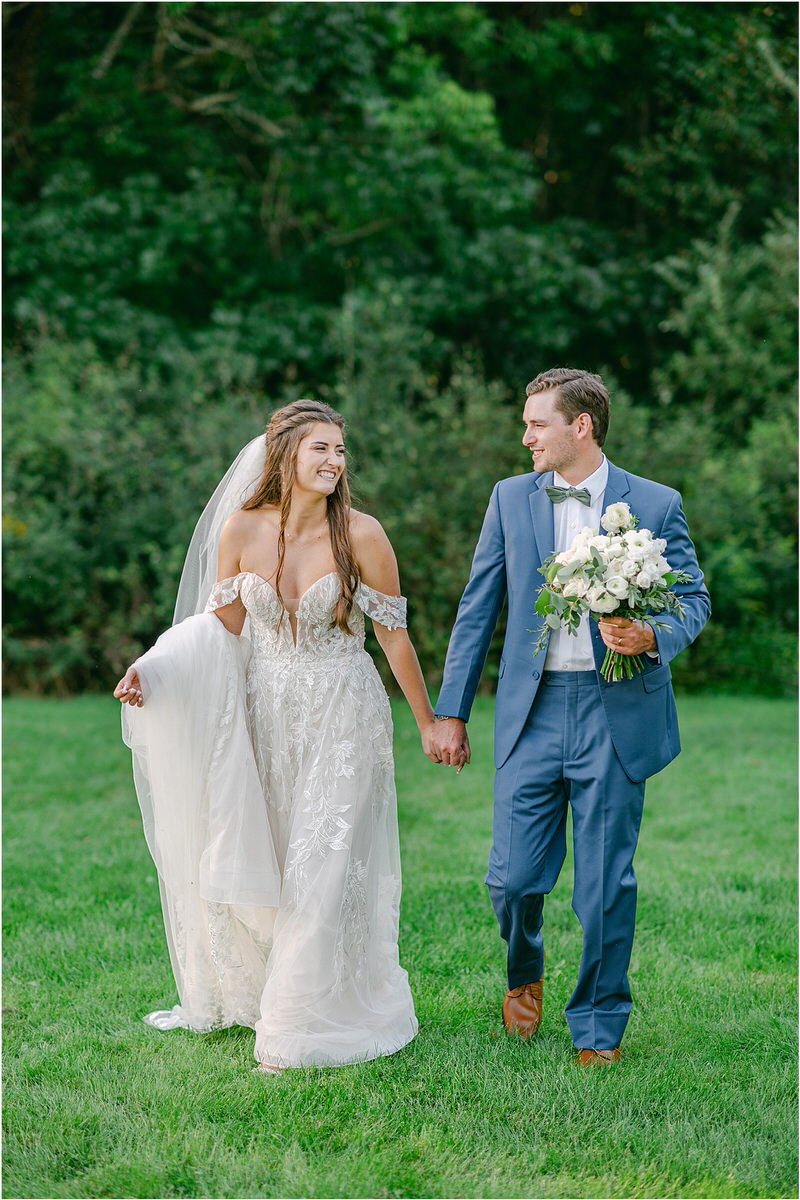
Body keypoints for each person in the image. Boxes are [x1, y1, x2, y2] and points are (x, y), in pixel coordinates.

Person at [115, 399, 438, 1072]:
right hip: (266, 715)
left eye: (340, 451)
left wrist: (429, 723)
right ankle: (288, 987)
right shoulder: (240, 529)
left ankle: (295, 1028)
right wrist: (155, 669)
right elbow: (220, 629)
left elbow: (394, 637)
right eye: (320, 448)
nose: (334, 462)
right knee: (282, 864)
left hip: (344, 714)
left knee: (325, 864)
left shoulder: (363, 535)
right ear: (283, 455)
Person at [430, 368, 710, 1065]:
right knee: (513, 879)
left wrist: (652, 637)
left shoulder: (655, 501)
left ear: (579, 426)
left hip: (617, 711)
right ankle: (524, 970)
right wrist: (451, 712)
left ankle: (597, 1025)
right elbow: (478, 607)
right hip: (533, 710)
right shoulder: (509, 498)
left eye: (536, 424)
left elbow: (694, 598)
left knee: (604, 885)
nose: (525, 436)